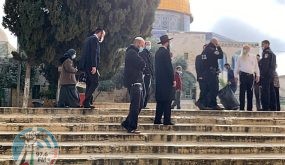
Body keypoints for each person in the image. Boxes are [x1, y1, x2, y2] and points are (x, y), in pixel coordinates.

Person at [121, 37, 146, 133]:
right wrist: (142, 64)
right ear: (138, 44)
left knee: (140, 104)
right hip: (134, 83)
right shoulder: (132, 52)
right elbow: (142, 64)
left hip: (137, 82)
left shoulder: (134, 53)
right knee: (135, 105)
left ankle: (127, 123)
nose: (143, 47)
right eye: (143, 45)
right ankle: (132, 126)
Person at [80, 28, 106, 108]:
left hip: (86, 65)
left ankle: (87, 103)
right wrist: (94, 66)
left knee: (89, 83)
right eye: (103, 35)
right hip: (91, 66)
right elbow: (94, 53)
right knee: (95, 82)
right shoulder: (94, 39)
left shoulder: (88, 39)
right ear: (100, 33)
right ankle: (86, 101)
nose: (103, 37)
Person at [154, 35, 175, 125]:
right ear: (167, 42)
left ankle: (157, 119)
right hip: (166, 81)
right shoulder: (165, 52)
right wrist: (173, 79)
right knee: (167, 100)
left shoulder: (158, 52)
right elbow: (169, 68)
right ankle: (167, 120)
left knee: (160, 101)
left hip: (159, 81)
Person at [234, 45, 260, 111]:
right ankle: (242, 108)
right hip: (243, 76)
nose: (245, 50)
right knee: (242, 92)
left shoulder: (253, 57)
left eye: (246, 48)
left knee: (250, 92)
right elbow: (236, 67)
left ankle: (249, 108)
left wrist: (258, 75)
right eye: (244, 48)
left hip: (251, 76)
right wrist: (235, 76)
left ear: (249, 49)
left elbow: (256, 67)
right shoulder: (240, 57)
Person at [201, 38, 224, 110]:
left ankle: (206, 104)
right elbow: (221, 56)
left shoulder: (205, 50)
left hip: (206, 72)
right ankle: (213, 105)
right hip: (211, 73)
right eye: (217, 43)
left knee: (207, 89)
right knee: (214, 88)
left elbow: (203, 61)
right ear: (215, 43)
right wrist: (219, 47)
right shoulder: (212, 49)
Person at [259, 40, 277, 111]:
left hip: (266, 75)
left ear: (267, 44)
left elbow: (265, 65)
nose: (262, 46)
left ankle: (265, 107)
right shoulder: (273, 53)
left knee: (265, 91)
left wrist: (262, 74)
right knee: (272, 91)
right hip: (271, 75)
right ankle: (273, 107)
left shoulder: (266, 52)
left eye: (262, 45)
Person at [195, 44, 211, 110]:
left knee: (208, 91)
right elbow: (197, 67)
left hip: (209, 78)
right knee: (203, 90)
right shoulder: (199, 57)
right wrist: (200, 76)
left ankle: (205, 105)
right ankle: (199, 102)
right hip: (202, 77)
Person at [139, 41, 154, 108]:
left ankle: (144, 104)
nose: (149, 46)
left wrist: (152, 74)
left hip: (149, 75)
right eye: (147, 44)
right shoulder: (142, 53)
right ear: (145, 45)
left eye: (150, 44)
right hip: (145, 74)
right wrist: (146, 72)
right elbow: (144, 64)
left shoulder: (150, 54)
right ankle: (142, 104)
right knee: (144, 90)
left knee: (147, 90)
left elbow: (151, 65)